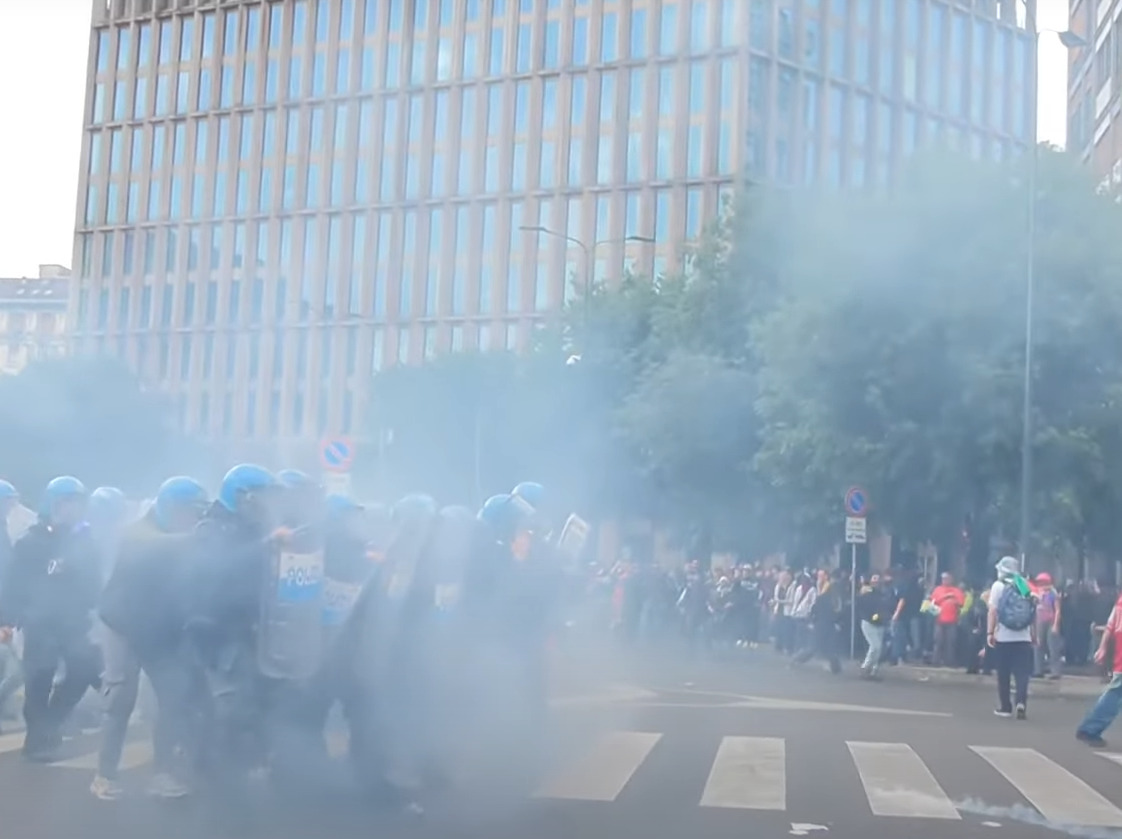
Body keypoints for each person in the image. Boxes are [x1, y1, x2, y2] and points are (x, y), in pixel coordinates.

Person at [92, 476, 209, 801]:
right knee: (119, 699)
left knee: (173, 697)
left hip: (161, 628)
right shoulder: (137, 532)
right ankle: (105, 774)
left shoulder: (183, 537)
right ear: (171, 507)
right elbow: (152, 547)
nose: (196, 517)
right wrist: (193, 540)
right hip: (123, 625)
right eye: (192, 510)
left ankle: (162, 772)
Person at [180, 464, 289, 793]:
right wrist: (266, 544)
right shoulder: (211, 528)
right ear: (243, 495)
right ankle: (212, 772)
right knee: (225, 702)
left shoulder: (250, 526)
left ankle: (230, 766)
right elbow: (220, 570)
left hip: (243, 626)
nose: (268, 504)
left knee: (249, 698)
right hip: (213, 629)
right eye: (263, 497)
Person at [0, 476, 103, 761]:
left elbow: (95, 579)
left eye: (79, 503)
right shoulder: (32, 541)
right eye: (70, 502)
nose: (76, 509)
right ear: (55, 504)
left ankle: (51, 723)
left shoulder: (84, 539)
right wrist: (6, 619)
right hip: (39, 622)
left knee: (84, 670)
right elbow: (14, 583)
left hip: (74, 621)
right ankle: (36, 741)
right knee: (38, 679)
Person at [987, 556, 1036, 720]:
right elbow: (1032, 610)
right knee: (1022, 674)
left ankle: (1005, 707)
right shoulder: (1023, 584)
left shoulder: (998, 585)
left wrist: (990, 632)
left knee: (1004, 673)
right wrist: (1033, 634)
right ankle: (1021, 703)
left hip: (1003, 637)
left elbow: (993, 611)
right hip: (1024, 637)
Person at [1075, 585, 1122, 747]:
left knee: (1115, 693)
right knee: (1114, 694)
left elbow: (1110, 626)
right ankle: (1090, 729)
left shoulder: (1120, 601)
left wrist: (1102, 648)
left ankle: (1090, 728)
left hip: (1120, 656)